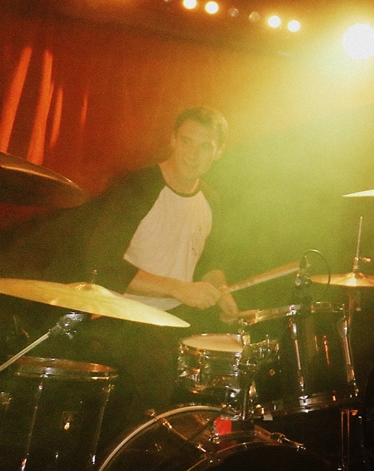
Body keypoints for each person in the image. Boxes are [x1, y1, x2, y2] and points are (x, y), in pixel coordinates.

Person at [37, 106, 238, 447]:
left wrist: (221, 289)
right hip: (117, 320)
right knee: (136, 409)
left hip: (171, 324)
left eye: (205, 146)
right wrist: (177, 288)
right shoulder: (138, 188)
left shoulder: (212, 200)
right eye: (187, 141)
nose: (193, 154)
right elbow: (103, 263)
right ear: (172, 140)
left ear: (218, 151)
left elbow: (209, 262)